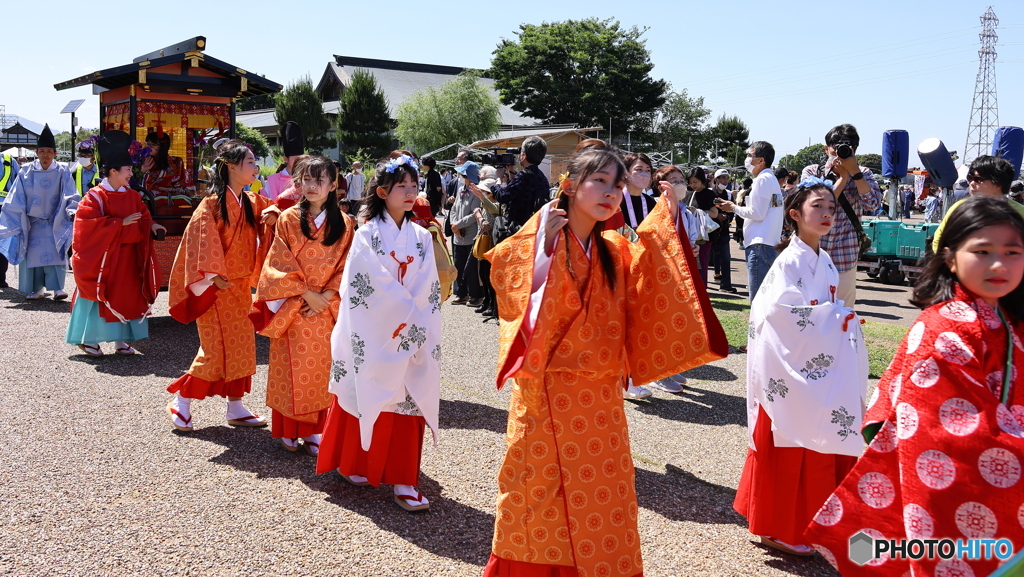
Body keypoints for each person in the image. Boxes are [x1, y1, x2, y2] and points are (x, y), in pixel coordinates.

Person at [482, 147, 728, 577]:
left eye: (618, 184)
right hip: (546, 393)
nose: (611, 192)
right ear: (570, 185)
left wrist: (666, 219)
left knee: (606, 497)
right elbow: (504, 272)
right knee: (538, 496)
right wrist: (542, 251)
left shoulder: (614, 249)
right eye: (600, 181)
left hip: (601, 401)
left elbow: (652, 282)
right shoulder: (539, 235)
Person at [805, 195, 1024, 577]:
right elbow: (957, 429)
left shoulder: (1007, 319)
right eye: (983, 250)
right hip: (956, 477)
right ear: (951, 258)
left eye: (1012, 251)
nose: (998, 264)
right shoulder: (944, 328)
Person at [734, 178, 868, 556]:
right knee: (789, 439)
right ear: (794, 214)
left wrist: (838, 320)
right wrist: (835, 319)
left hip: (812, 363)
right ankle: (775, 526)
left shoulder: (823, 259)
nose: (827, 214)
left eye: (831, 207)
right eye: (817, 207)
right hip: (788, 368)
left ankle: (808, 521)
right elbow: (780, 317)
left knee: (818, 436)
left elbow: (818, 313)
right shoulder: (789, 261)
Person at [317, 153, 441, 512]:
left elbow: (428, 285)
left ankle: (404, 479)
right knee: (365, 387)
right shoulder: (367, 234)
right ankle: (355, 463)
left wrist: (412, 319)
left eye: (414, 186)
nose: (409, 192)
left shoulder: (420, 235)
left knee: (407, 397)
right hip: (374, 328)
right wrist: (400, 311)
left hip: (411, 326)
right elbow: (360, 284)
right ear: (383, 191)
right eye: (401, 186)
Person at [164, 140, 278, 432]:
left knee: (241, 347)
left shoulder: (252, 202)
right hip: (216, 286)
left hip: (239, 288)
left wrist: (277, 215)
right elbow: (200, 242)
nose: (255, 167)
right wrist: (213, 274)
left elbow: (278, 214)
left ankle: (236, 406)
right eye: (251, 162)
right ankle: (183, 400)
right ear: (231, 166)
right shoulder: (211, 204)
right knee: (215, 350)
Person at [251, 156, 354, 455]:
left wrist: (329, 295)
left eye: (319, 180)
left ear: (333, 186)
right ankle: (287, 429)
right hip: (294, 307)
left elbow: (349, 265)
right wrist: (307, 295)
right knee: (288, 368)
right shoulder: (287, 219)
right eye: (306, 180)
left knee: (324, 369)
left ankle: (315, 431)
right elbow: (278, 262)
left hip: (327, 308)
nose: (311, 186)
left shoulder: (346, 224)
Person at [65, 130, 163, 357]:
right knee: (97, 294)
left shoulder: (132, 195)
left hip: (129, 257)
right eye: (128, 169)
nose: (131, 173)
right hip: (105, 258)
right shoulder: (95, 196)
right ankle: (88, 339)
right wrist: (119, 223)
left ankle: (122, 340)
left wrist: (152, 226)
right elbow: (85, 226)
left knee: (129, 295)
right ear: (113, 171)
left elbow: (143, 215)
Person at [800, 124, 882, 308]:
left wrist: (855, 173)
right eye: (836, 146)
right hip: (811, 254)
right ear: (826, 148)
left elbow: (874, 205)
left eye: (848, 146)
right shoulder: (813, 172)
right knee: (809, 313)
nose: (840, 151)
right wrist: (842, 179)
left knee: (842, 315)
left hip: (844, 256)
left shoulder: (864, 173)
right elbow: (813, 208)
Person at [0, 124, 78, 300]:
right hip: (32, 221)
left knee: (56, 253)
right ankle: (37, 290)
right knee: (32, 255)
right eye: (41, 151)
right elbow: (16, 195)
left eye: (49, 151)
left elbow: (70, 193)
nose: (45, 154)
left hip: (55, 219)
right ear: (36, 152)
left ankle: (58, 288)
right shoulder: (26, 171)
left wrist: (71, 209)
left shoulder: (62, 170)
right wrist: (16, 216)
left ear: (55, 153)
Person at [718, 141, 785, 302]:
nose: (747, 159)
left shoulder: (762, 180)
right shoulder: (771, 179)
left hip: (759, 245)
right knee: (767, 301)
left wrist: (733, 207)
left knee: (758, 303)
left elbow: (757, 213)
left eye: (750, 156)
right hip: (769, 244)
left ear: (761, 160)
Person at [931, 155, 1024, 253]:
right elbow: (940, 239)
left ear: (998, 183)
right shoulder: (959, 208)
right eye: (970, 178)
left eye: (978, 179)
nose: (971, 183)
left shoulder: (1019, 212)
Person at [488, 136, 551, 233]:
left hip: (519, 229)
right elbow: (519, 191)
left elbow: (503, 196)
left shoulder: (523, 176)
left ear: (524, 156)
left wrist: (497, 182)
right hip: (535, 227)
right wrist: (511, 172)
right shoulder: (542, 178)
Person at [449, 161, 482, 306]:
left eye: (463, 174)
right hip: (458, 234)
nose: (461, 177)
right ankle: (461, 294)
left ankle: (475, 295)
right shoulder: (461, 189)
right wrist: (454, 224)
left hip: (470, 234)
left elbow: (475, 214)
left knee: (472, 267)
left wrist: (459, 224)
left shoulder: (476, 191)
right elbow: (454, 208)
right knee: (458, 264)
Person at [140, 131, 195, 204]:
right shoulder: (142, 161)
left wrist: (184, 190)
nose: (148, 147)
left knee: (183, 202)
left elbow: (183, 180)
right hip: (150, 194)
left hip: (173, 194)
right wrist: (143, 171)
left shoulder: (176, 161)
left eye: (153, 145)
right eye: (147, 144)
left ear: (163, 147)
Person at [263, 121, 303, 201]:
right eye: (295, 159)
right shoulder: (272, 181)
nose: (299, 162)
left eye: (301, 159)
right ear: (285, 159)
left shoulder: (307, 178)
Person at [712, 169, 737, 293]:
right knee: (705, 258)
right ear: (716, 179)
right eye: (722, 178)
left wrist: (727, 217)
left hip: (724, 231)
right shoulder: (710, 193)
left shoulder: (728, 194)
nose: (725, 180)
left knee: (726, 257)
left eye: (727, 178)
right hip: (710, 232)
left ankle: (726, 284)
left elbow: (733, 210)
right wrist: (716, 216)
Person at [619, 152, 657, 231]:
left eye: (648, 170)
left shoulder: (651, 202)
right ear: (626, 173)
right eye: (639, 169)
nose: (644, 174)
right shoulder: (616, 199)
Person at [0, 152, 21, 288]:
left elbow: (19, 184)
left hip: (4, 208)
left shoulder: (9, 160)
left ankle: (0, 277)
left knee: (2, 243)